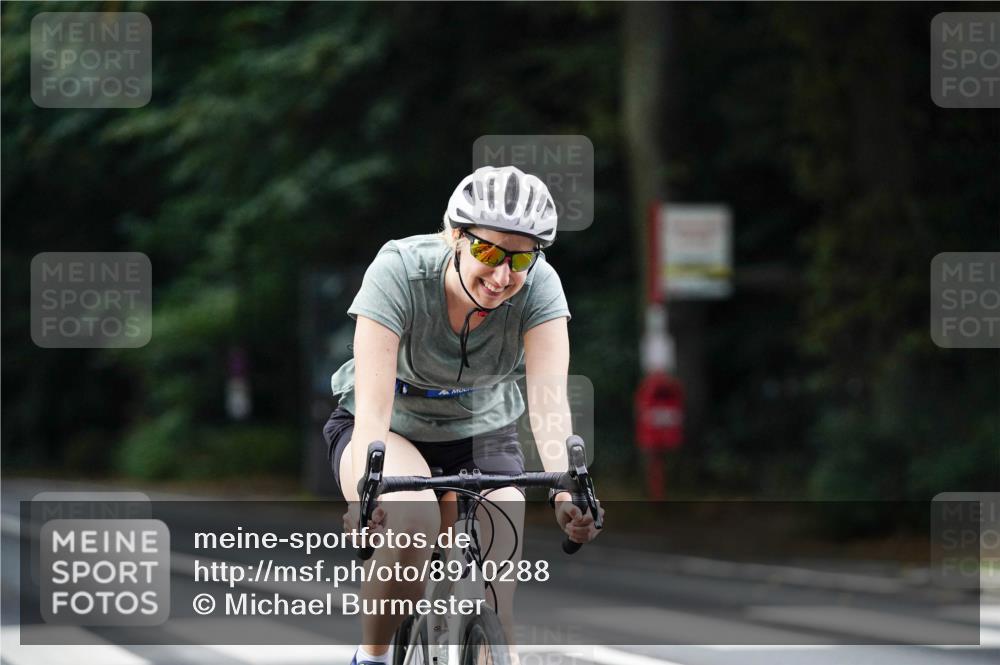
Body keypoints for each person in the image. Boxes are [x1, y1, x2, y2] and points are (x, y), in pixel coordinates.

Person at [323, 165, 603, 665]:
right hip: (391, 428)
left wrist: (566, 490)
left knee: (498, 577)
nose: (502, 276)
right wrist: (366, 493)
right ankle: (373, 657)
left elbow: (548, 404)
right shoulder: (399, 271)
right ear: (456, 236)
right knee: (412, 519)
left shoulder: (541, 288)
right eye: (489, 253)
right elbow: (372, 405)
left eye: (521, 258)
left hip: (482, 431)